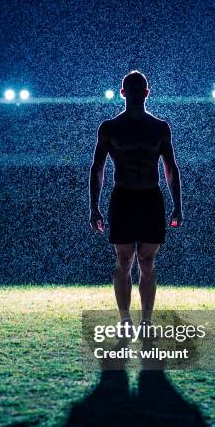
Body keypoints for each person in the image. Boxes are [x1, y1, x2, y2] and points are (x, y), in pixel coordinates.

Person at [89, 70, 183, 334]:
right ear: (124, 93)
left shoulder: (160, 127)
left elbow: (170, 168)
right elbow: (97, 168)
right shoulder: (110, 127)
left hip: (150, 198)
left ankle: (146, 321)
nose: (133, 95)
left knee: (146, 261)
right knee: (124, 259)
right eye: (131, 90)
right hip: (124, 197)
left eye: (137, 90)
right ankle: (125, 320)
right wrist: (93, 207)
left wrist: (178, 204)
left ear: (146, 93)